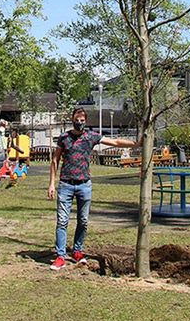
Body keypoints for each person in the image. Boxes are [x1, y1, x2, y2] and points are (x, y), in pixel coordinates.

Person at [47, 107, 138, 270]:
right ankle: (60, 256)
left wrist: (138, 143)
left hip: (84, 185)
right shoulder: (64, 138)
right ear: (72, 119)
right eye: (77, 120)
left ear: (86, 121)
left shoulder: (91, 137)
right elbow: (55, 160)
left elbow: (115, 142)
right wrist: (52, 183)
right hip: (66, 184)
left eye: (82, 120)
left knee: (83, 221)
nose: (79, 123)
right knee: (62, 221)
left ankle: (78, 251)